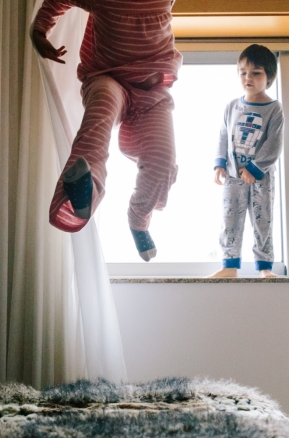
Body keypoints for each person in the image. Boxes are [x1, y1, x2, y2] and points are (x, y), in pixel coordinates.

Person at [31, 0, 181, 262]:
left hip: (152, 92)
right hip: (107, 79)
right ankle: (83, 193)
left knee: (162, 162)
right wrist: (40, 30)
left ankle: (138, 220)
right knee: (98, 121)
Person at [208, 44, 284, 279]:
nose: (248, 78)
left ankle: (264, 268)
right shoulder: (232, 106)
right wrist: (219, 163)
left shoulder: (274, 109)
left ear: (269, 76)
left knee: (262, 221)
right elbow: (223, 135)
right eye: (243, 72)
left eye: (255, 73)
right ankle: (229, 266)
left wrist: (255, 168)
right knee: (230, 218)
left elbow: (274, 144)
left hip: (261, 177)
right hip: (233, 176)